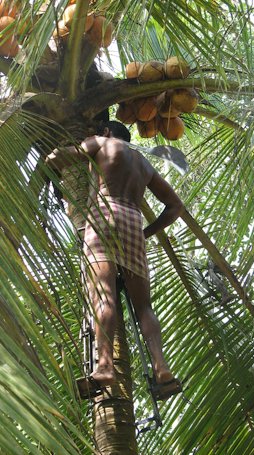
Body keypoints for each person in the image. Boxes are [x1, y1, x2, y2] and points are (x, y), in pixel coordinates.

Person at [47, 121, 184, 398]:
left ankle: (105, 366)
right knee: (144, 306)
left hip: (103, 214)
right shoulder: (144, 163)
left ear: (107, 132)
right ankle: (161, 366)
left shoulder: (102, 142)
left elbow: (63, 156)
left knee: (105, 296)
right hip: (133, 220)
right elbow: (175, 207)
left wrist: (51, 156)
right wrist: (146, 233)